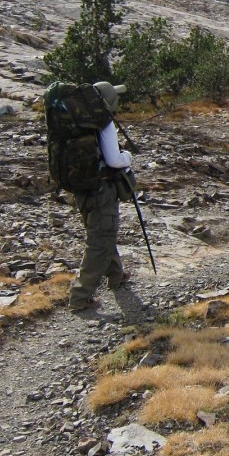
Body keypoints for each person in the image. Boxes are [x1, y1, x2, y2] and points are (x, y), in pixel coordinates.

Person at [69, 81, 133, 311]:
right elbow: (114, 160)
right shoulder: (103, 123)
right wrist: (128, 157)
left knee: (101, 230)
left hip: (81, 187)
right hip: (102, 188)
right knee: (100, 239)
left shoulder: (76, 122)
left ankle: (116, 275)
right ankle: (80, 295)